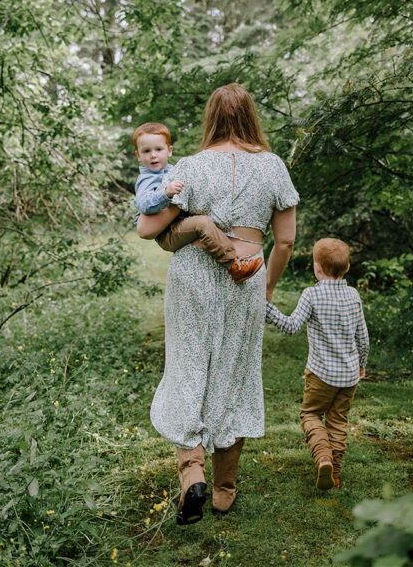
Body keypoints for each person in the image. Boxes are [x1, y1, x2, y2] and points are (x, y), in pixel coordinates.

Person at [137, 83, 298, 524]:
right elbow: (285, 240)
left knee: (188, 367)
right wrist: (266, 286)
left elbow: (151, 228)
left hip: (192, 276)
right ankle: (225, 490)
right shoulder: (273, 167)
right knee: (235, 373)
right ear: (251, 117)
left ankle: (193, 478)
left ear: (211, 118)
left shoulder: (190, 165)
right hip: (246, 275)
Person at [265, 238, 368, 490]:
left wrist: (267, 310)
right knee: (338, 421)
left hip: (321, 375)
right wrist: (362, 364)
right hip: (349, 376)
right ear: (347, 268)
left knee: (310, 414)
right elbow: (362, 338)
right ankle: (334, 475)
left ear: (316, 267)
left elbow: (290, 327)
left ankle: (323, 457)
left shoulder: (312, 294)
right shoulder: (353, 295)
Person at [134, 122, 264, 283]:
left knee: (204, 222)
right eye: (146, 151)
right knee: (201, 223)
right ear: (138, 155)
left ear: (169, 151)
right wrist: (165, 193)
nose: (153, 155)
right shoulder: (147, 179)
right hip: (166, 232)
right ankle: (234, 265)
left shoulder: (174, 169)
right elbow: (143, 204)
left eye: (158, 149)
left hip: (177, 225)